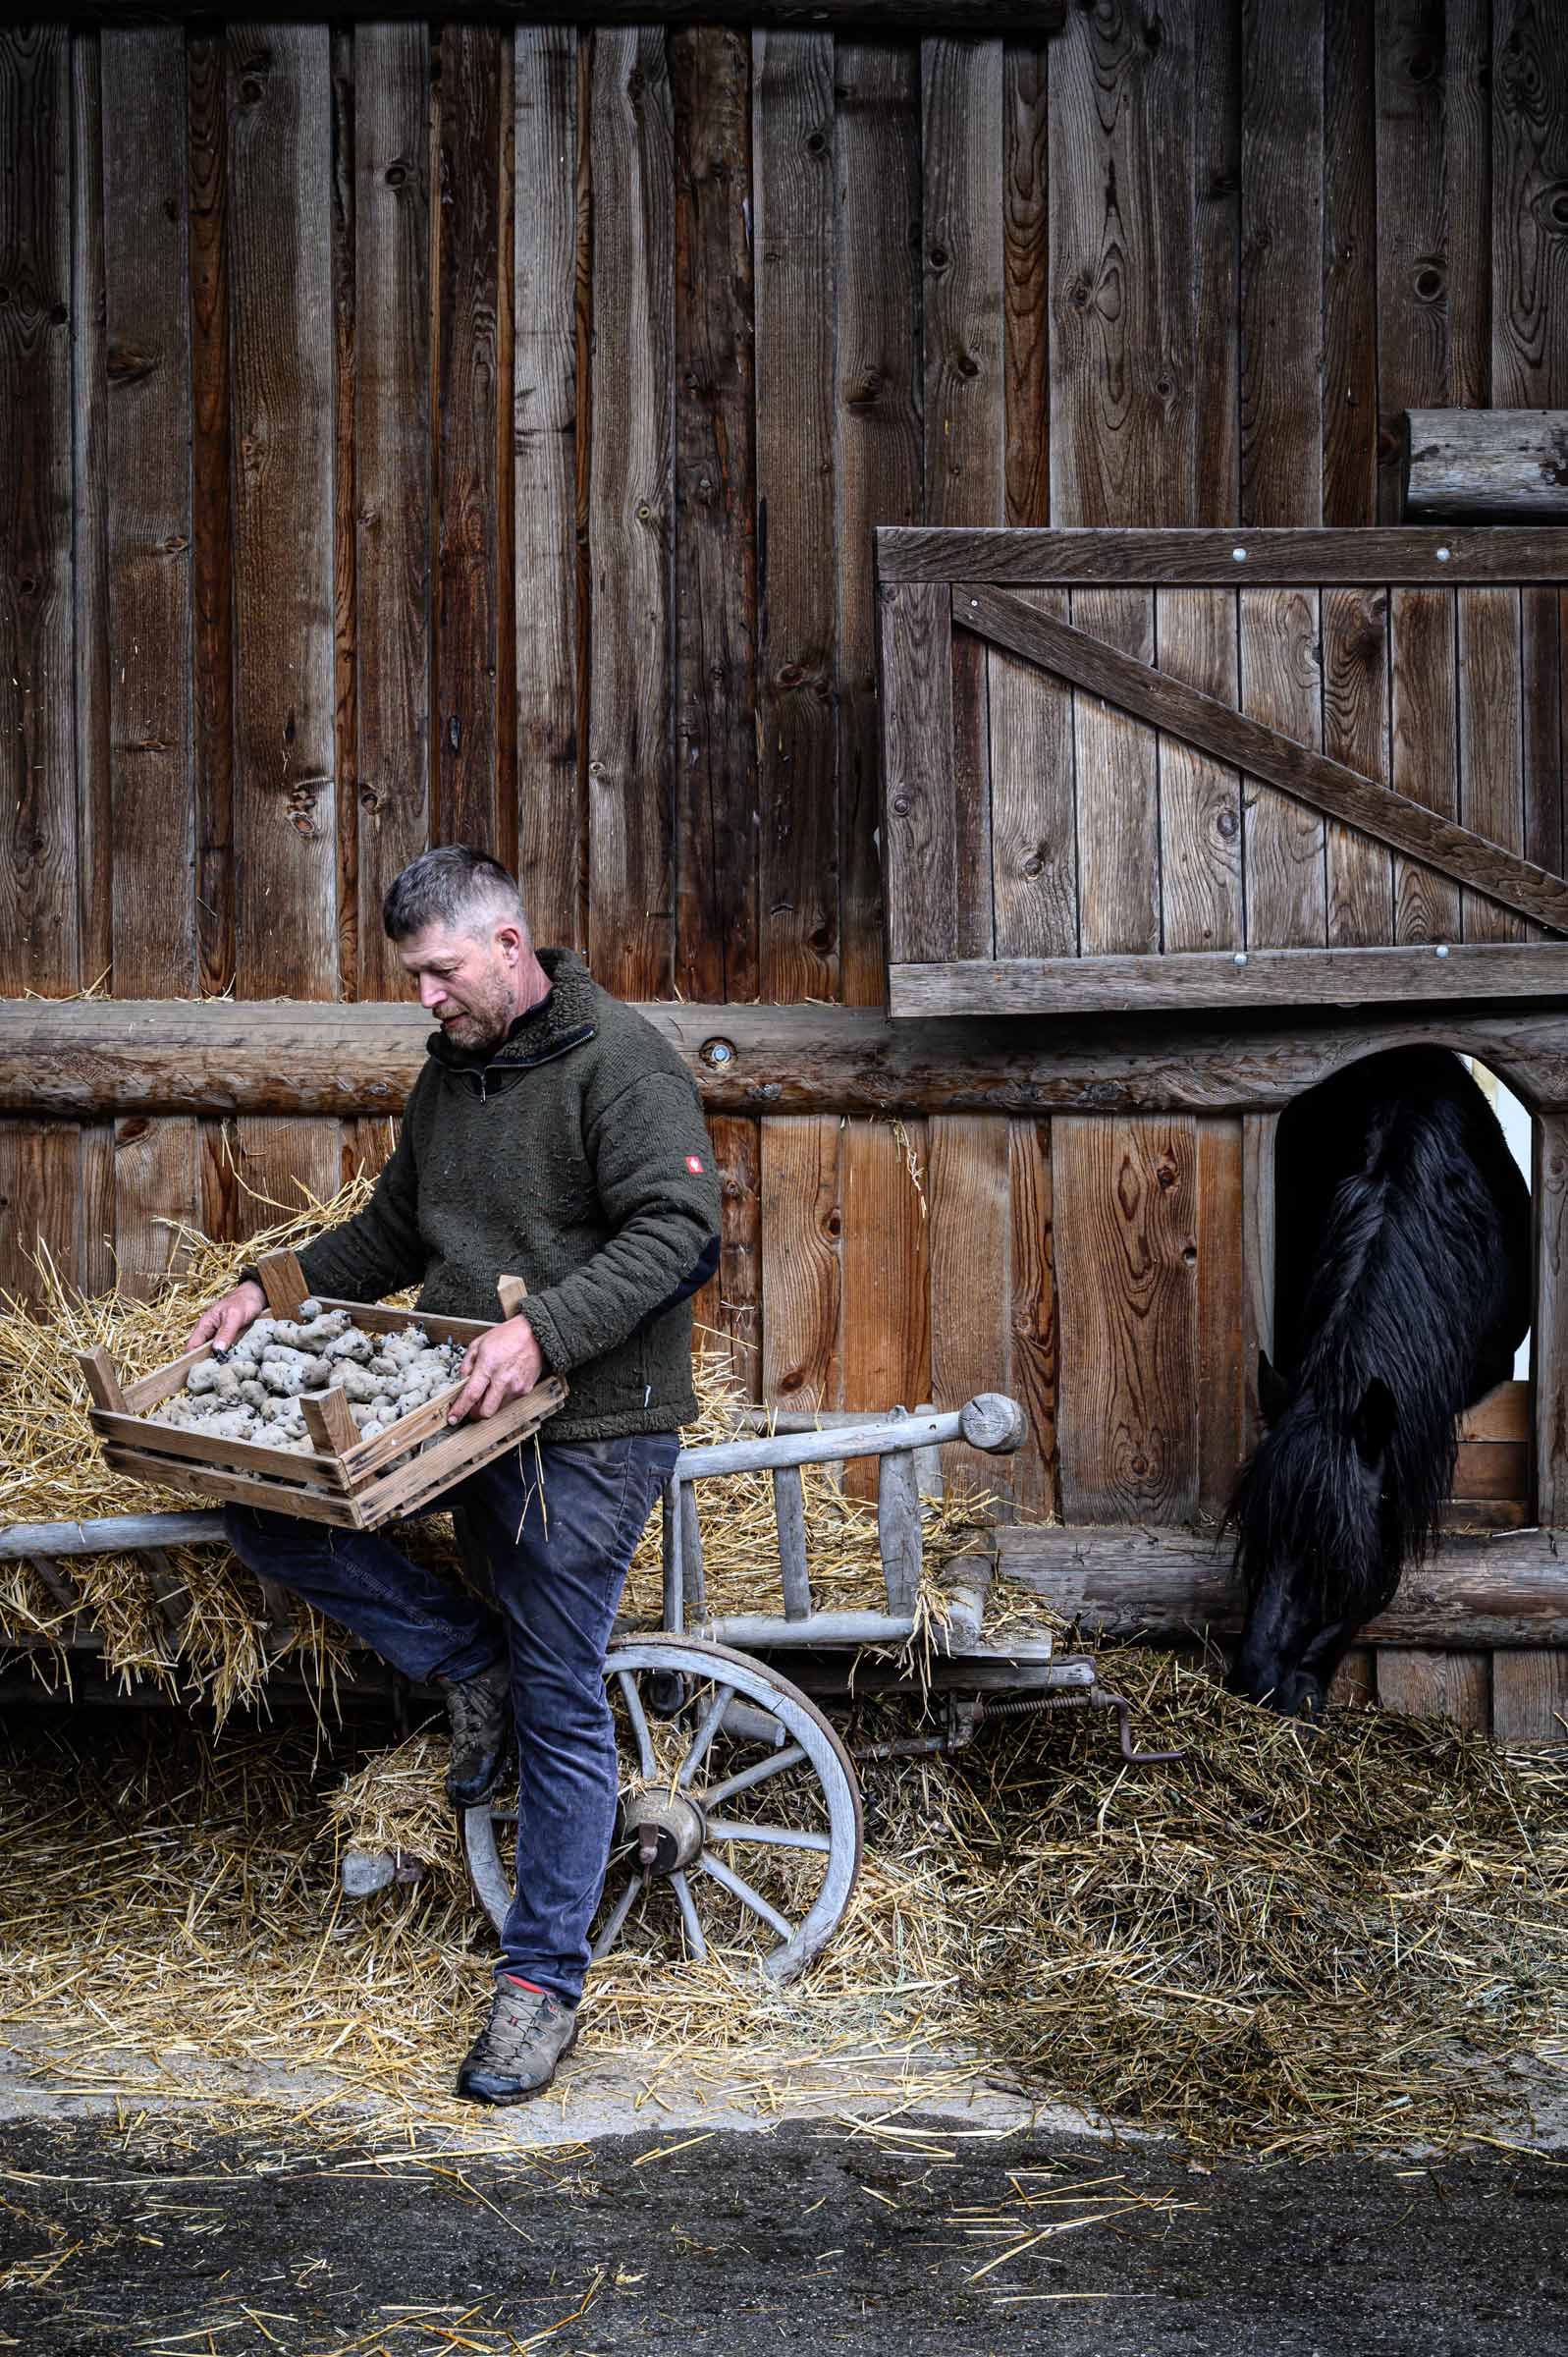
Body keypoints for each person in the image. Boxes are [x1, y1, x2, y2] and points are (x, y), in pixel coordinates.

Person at [185, 847, 721, 2104]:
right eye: (413, 977)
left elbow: (680, 1235)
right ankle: (458, 1659)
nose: (425, 998)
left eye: (439, 972)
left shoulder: (622, 1066)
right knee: (268, 1514)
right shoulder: (451, 1079)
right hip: (451, 1401)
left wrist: (547, 1330)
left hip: (591, 1425)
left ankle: (541, 1985)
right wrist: (268, 1295)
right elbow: (392, 1235)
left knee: (559, 1687)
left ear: (508, 946)